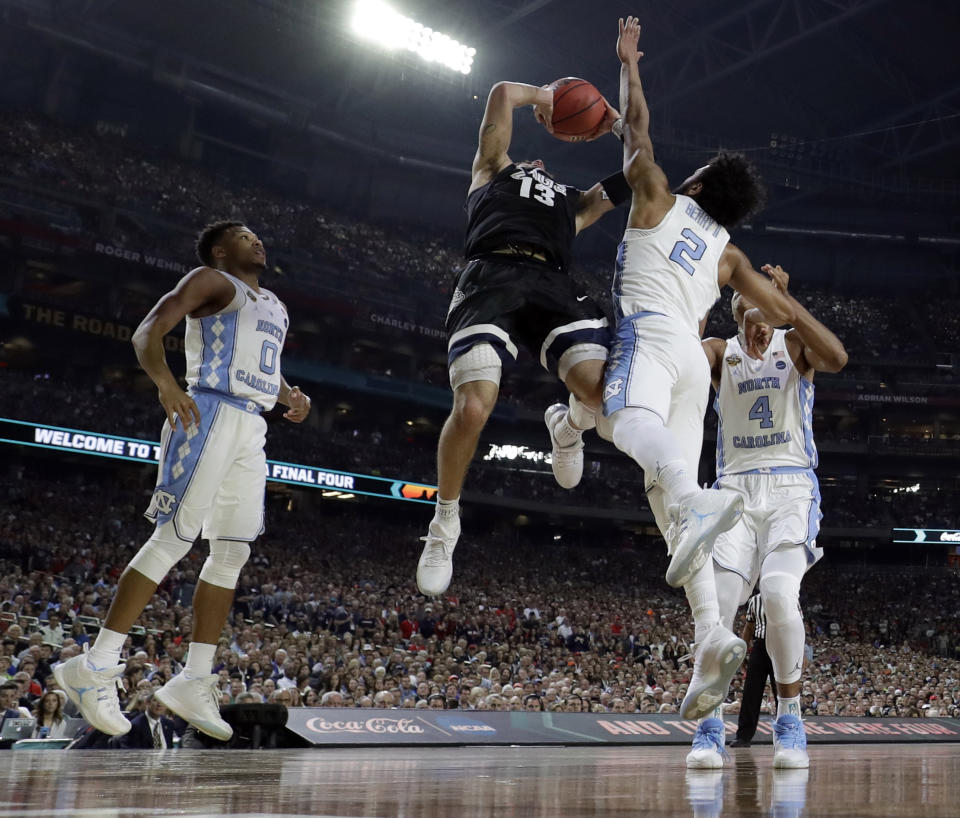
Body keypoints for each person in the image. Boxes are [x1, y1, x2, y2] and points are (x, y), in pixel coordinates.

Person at [606, 16, 798, 723]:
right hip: (695, 358)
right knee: (668, 506)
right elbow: (778, 314)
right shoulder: (729, 256)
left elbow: (635, 128)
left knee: (627, 421)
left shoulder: (656, 192)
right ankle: (711, 635)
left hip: (651, 337)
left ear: (697, 180)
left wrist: (630, 63)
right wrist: (780, 293)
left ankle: (700, 500)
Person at [55, 221, 312, 742]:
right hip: (208, 409)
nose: (257, 240)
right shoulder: (211, 279)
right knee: (172, 537)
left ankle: (194, 678)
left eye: (258, 234)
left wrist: (289, 396)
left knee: (232, 551)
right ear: (221, 251)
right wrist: (166, 384)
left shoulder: (276, 305)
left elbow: (263, 364)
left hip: (251, 422)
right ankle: (95, 665)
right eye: (243, 236)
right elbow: (148, 329)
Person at [416, 77, 628, 597]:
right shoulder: (492, 169)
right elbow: (504, 90)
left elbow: (636, 174)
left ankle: (567, 425)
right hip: (491, 276)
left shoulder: (572, 202)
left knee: (604, 398)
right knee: (472, 408)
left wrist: (615, 124)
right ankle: (445, 524)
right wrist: (548, 98)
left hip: (552, 284)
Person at [687, 265, 846, 769]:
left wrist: (786, 305)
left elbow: (839, 358)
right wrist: (702, 301)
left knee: (779, 593)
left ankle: (791, 719)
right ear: (734, 316)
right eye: (749, 319)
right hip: (734, 490)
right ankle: (710, 727)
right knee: (717, 606)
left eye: (766, 322)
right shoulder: (719, 352)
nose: (759, 331)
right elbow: (677, 360)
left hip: (790, 487)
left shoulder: (794, 346)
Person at [727, 592, 776, 749]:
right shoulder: (755, 600)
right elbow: (749, 627)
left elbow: (796, 627)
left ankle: (787, 733)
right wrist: (742, 652)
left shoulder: (789, 594)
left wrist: (798, 652)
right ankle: (743, 736)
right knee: (751, 692)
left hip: (781, 646)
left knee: (782, 693)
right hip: (760, 645)